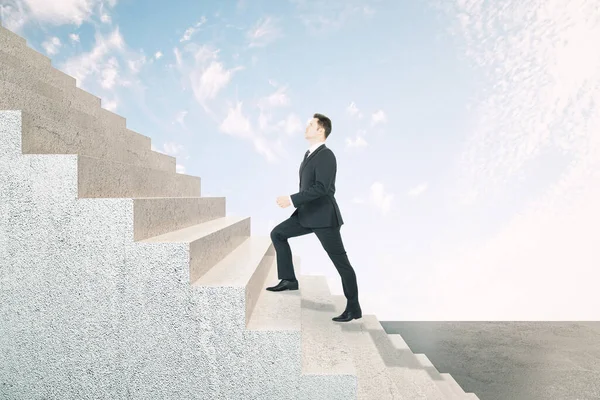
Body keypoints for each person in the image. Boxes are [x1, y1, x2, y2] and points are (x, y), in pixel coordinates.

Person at [267, 113, 362, 323]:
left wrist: (292, 199)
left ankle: (353, 308)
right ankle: (289, 279)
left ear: (321, 130)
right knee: (278, 234)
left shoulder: (327, 155)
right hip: (306, 214)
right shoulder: (309, 154)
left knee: (341, 263)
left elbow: (321, 188)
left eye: (310, 124)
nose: (306, 126)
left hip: (324, 218)